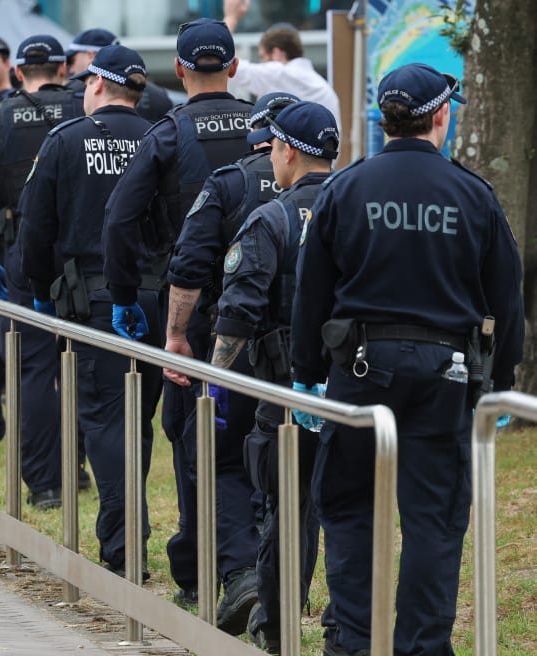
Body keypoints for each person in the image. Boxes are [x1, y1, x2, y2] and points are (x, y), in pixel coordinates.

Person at [291, 63, 523, 656]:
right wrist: (500, 381)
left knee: (348, 509)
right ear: (441, 116)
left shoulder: (346, 187)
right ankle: (423, 646)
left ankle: (354, 641)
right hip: (446, 375)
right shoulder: (473, 194)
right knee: (434, 520)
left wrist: (308, 376)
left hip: (359, 367)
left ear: (382, 118)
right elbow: (508, 296)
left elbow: (310, 290)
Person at [102, 18, 257, 633]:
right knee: (260, 441)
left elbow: (119, 219)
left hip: (191, 312)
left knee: (194, 441)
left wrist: (125, 295)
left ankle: (209, 571)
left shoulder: (168, 135)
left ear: (180, 70)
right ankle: (246, 567)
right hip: (267, 309)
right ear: (236, 68)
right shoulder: (267, 127)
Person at [18, 45, 160, 568]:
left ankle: (126, 547)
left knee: (103, 421)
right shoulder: (158, 137)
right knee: (137, 420)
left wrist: (38, 293)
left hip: (94, 301)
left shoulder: (64, 142)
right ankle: (126, 533)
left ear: (96, 86)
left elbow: (36, 230)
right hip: (154, 298)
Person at [207, 101, 338, 653]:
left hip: (285, 390)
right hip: (357, 387)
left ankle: (277, 623)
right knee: (350, 508)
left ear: (284, 150)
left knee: (287, 509)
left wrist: (213, 378)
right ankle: (348, 625)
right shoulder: (358, 206)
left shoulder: (273, 217)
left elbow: (238, 311)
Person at [160, 91, 297, 614]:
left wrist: (177, 335)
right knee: (296, 471)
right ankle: (281, 588)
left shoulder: (230, 182)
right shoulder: (338, 187)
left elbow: (189, 266)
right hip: (316, 352)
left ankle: (242, 576)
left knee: (224, 461)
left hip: (239, 345)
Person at [0, 34, 85, 496]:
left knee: (32, 367)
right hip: (80, 253)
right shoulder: (82, 111)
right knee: (81, 360)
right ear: (63, 70)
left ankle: (45, 484)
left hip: (20, 252)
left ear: (17, 73)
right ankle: (78, 465)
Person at [223, 0, 341, 130]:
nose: (262, 64)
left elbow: (223, 60)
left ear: (277, 53)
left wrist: (231, 18)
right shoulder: (323, 87)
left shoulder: (278, 73)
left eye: (263, 57)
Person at [64, 28, 173, 123]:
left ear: (91, 55)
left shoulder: (71, 93)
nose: (71, 69)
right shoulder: (160, 96)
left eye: (71, 61)